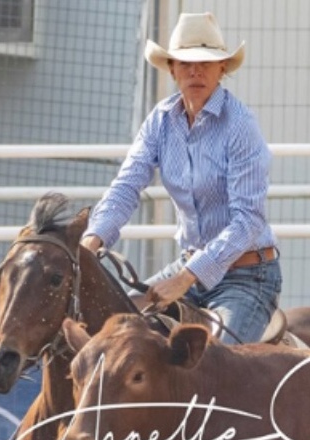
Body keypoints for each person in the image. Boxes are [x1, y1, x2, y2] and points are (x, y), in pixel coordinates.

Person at [80, 12, 281, 344]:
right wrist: (92, 241)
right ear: (172, 69)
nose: (195, 71)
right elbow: (127, 186)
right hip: (188, 270)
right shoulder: (160, 121)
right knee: (112, 336)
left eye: (206, 62)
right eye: (186, 62)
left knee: (217, 361)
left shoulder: (240, 125)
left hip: (247, 276)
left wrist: (186, 278)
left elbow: (248, 220)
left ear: (222, 69)